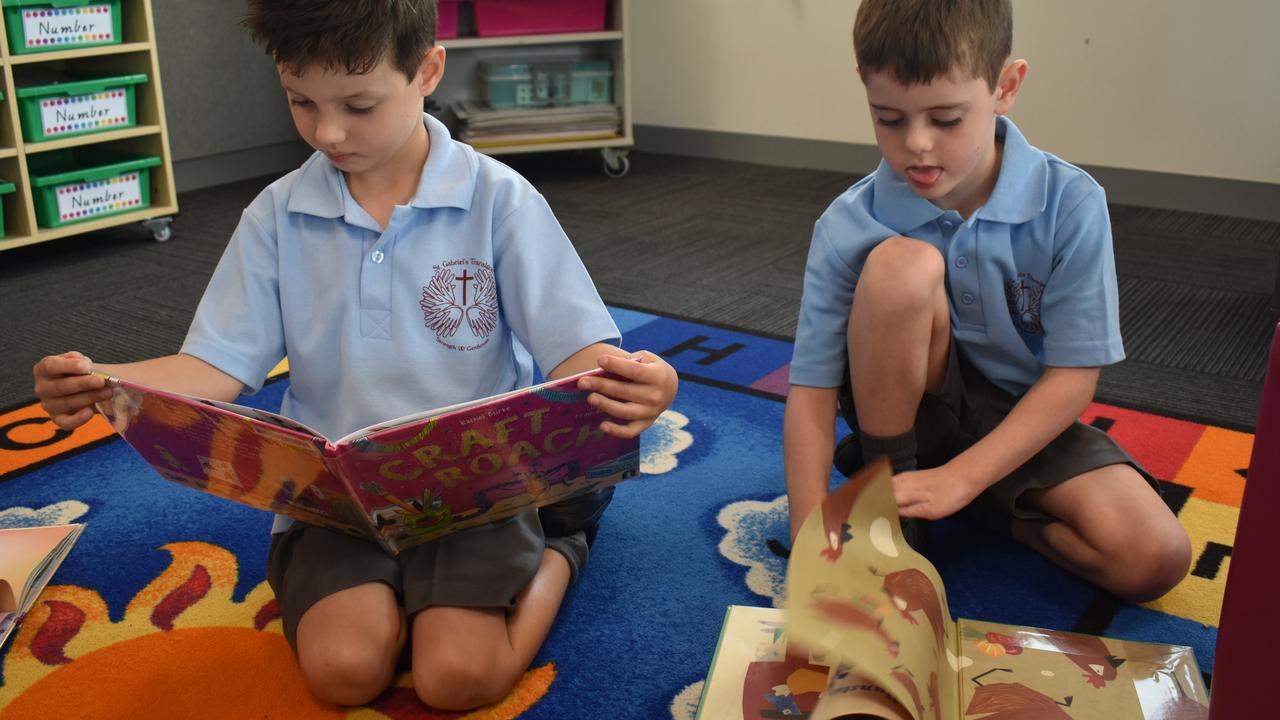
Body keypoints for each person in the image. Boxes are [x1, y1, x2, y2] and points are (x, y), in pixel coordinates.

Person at [32, 0, 678, 710]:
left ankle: (563, 543)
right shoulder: (276, 215)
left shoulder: (500, 201)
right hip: (334, 499)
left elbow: (576, 351)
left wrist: (642, 380)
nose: (328, 132)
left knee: (458, 679)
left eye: (359, 105)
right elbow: (215, 365)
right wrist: (103, 382)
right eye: (300, 102)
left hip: (476, 491)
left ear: (427, 70)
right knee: (343, 672)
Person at [783, 0, 1190, 603]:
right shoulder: (848, 223)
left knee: (1157, 558)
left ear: (1006, 87)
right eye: (888, 118)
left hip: (1024, 421)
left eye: (946, 119)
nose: (916, 145)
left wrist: (964, 480)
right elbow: (812, 396)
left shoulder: (1071, 203)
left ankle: (979, 506)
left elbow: (1073, 379)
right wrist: (807, 544)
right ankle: (894, 499)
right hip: (904, 411)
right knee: (904, 266)